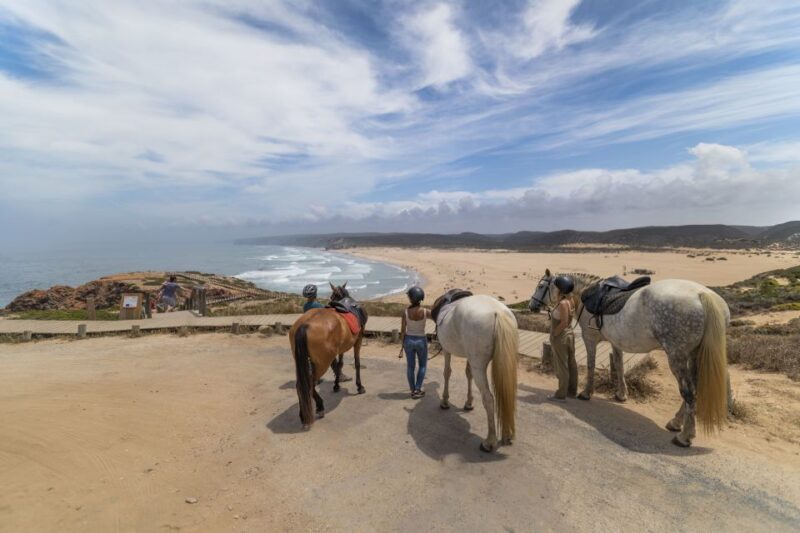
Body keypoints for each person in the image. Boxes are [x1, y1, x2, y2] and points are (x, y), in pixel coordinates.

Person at [549, 275, 578, 401]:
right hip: (570, 335)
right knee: (571, 363)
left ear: (561, 289)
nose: (555, 289)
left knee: (562, 366)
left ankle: (561, 394)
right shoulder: (571, 300)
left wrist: (555, 333)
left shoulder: (562, 303)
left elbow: (564, 322)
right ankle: (571, 391)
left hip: (561, 336)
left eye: (557, 288)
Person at [400, 286, 431, 399]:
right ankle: (418, 389)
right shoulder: (425, 311)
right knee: (422, 366)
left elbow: (403, 331)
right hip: (421, 340)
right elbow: (437, 318)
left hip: (408, 340)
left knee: (410, 367)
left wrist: (402, 345)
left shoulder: (405, 312)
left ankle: (413, 390)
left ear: (411, 298)